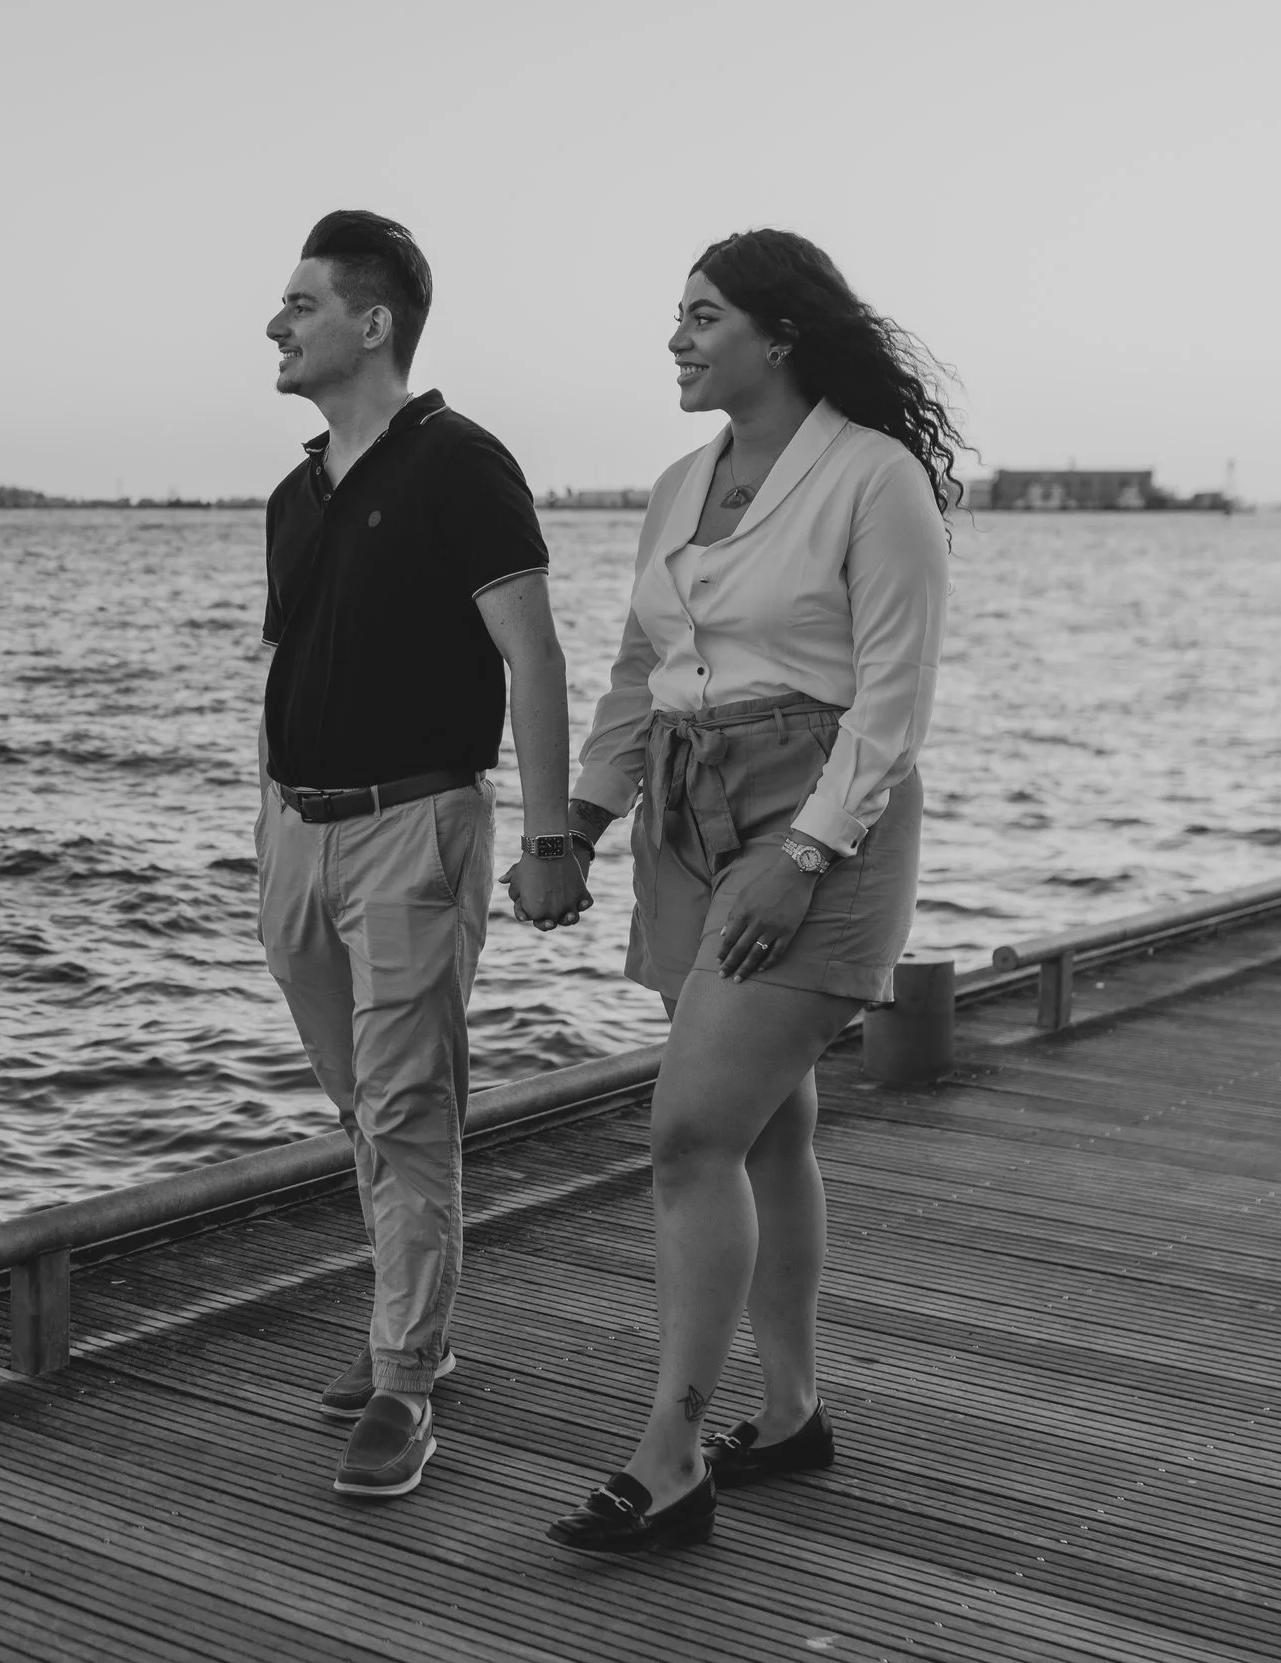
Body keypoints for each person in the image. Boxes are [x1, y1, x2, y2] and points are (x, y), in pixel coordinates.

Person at [537, 228, 961, 1551]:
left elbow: (892, 703)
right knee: (768, 1127)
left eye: (702, 316)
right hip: (686, 813)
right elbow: (634, 665)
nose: (675, 337)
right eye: (676, 314)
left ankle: (670, 1453)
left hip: (817, 814)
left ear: (778, 336)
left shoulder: (873, 478)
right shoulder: (678, 483)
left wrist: (806, 852)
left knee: (690, 1135)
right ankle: (789, 1414)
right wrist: (576, 820)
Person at [257, 209, 586, 1500]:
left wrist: (552, 837)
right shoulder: (295, 493)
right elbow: (285, 667)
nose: (276, 325)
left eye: (299, 304)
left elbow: (536, 658)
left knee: (405, 1107)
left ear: (373, 320)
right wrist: (266, 830)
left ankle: (404, 1379)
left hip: (415, 824)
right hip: (299, 832)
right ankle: (411, 1314)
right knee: (362, 1105)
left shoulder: (458, 464)